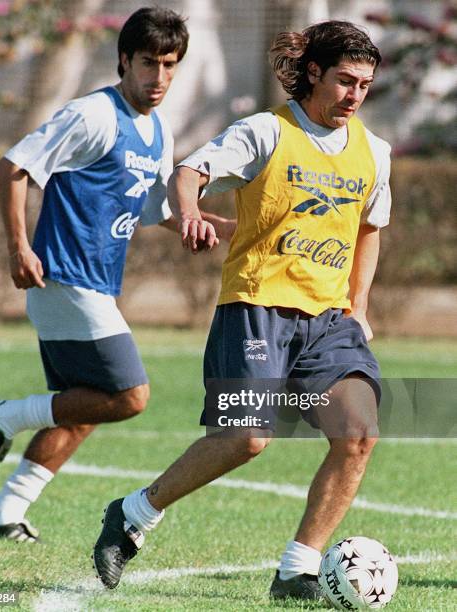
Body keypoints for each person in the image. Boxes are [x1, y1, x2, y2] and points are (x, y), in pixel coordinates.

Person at [93, 20, 392, 602]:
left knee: (358, 434)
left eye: (364, 84)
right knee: (247, 437)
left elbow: (369, 228)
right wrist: (189, 214)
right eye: (345, 81)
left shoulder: (374, 152)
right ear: (312, 74)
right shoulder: (265, 132)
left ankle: (297, 569)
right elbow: (190, 173)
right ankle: (133, 514)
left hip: (329, 319)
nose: (355, 95)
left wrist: (359, 305)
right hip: (257, 307)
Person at [0, 6, 227, 543]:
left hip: (97, 284)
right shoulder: (92, 115)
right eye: (148, 63)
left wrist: (204, 222)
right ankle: (2, 416)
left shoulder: (158, 131)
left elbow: (156, 208)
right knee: (129, 396)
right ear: (124, 61)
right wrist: (19, 247)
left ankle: (3, 516)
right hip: (62, 278)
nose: (159, 78)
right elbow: (13, 166)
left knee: (85, 408)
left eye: (170, 65)